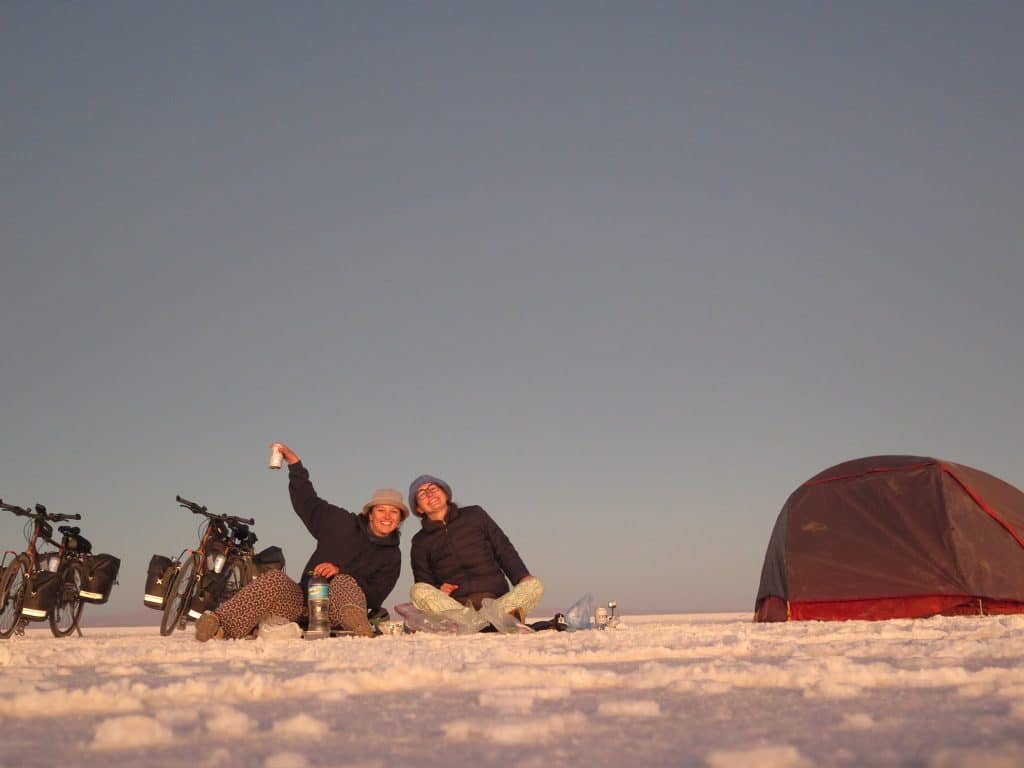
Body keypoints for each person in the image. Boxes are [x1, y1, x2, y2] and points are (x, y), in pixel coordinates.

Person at [195, 442, 408, 641]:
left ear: (400, 519)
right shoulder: (341, 523)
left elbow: (376, 595)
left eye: (393, 512)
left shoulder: (392, 556)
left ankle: (357, 627)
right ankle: (219, 624)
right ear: (370, 513)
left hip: (336, 613)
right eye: (381, 510)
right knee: (274, 579)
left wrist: (341, 571)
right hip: (302, 602)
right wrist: (295, 464)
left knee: (344, 582)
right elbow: (308, 503)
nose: (386, 517)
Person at [407, 474, 543, 631]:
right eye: (422, 494)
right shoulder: (420, 541)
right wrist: (439, 589)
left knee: (534, 585)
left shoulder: (475, 515)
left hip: (495, 600)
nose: (429, 494)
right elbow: (423, 582)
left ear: (445, 494)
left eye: (433, 488)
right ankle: (491, 621)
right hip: (456, 607)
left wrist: (521, 576)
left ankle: (482, 621)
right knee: (417, 591)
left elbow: (503, 548)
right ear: (418, 508)